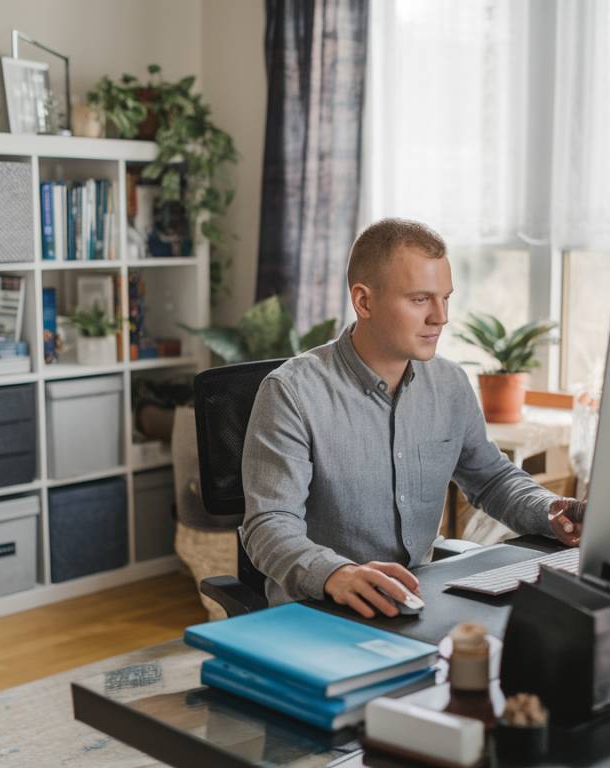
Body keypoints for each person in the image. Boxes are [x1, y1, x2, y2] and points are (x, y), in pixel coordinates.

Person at [241, 218, 585, 618]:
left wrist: (552, 509)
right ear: (364, 301)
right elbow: (269, 525)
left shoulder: (450, 383)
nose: (440, 317)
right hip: (321, 609)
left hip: (419, 601)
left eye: (446, 298)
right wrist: (338, 573)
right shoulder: (291, 392)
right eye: (420, 299)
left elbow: (492, 479)